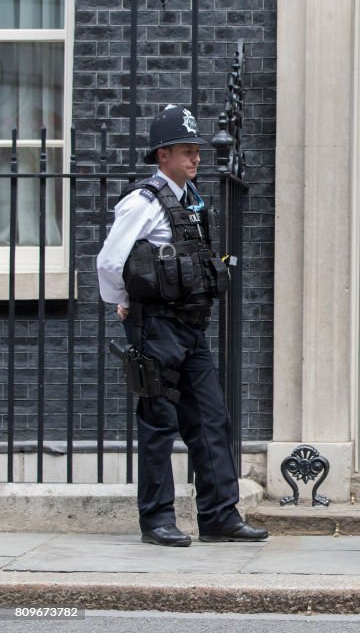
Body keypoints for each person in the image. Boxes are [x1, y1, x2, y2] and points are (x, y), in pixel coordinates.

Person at [96, 105, 268, 547]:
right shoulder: (143, 201)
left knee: (211, 419)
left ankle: (218, 516)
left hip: (191, 327)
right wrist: (121, 302)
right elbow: (110, 260)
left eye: (197, 152)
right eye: (186, 152)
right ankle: (156, 520)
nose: (195, 159)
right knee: (158, 422)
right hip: (155, 327)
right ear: (163, 155)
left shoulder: (191, 199)